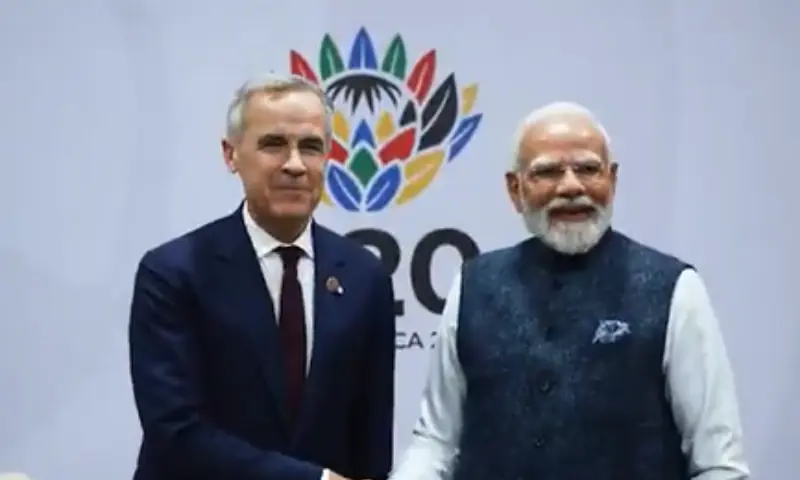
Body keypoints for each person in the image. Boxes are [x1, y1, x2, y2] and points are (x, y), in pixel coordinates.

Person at [389, 102, 749, 480]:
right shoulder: (472, 285)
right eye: (547, 172)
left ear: (612, 180)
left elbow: (719, 465)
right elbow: (436, 441)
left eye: (588, 169)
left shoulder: (675, 289)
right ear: (515, 190)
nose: (571, 186)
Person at [128, 73, 396, 480]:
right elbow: (176, 431)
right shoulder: (172, 272)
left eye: (311, 147)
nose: (294, 164)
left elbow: (370, 443)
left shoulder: (365, 276)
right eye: (273, 144)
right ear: (230, 154)